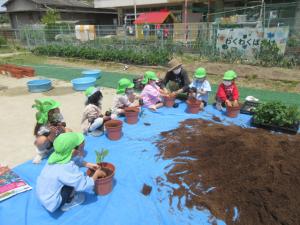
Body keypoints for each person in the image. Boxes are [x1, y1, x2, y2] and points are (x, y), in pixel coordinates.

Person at [36, 132, 106, 212]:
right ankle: (68, 201)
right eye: (82, 148)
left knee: (68, 179)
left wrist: (88, 164)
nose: (83, 150)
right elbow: (83, 185)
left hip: (43, 194)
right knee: (72, 185)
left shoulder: (57, 156)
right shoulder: (67, 168)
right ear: (73, 151)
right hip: (52, 202)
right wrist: (97, 174)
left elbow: (73, 159)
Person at [32, 98, 70, 164]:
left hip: (57, 133)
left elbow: (64, 124)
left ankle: (63, 146)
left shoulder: (57, 115)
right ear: (49, 112)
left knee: (69, 131)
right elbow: (37, 130)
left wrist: (60, 125)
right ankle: (41, 153)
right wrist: (37, 135)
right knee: (41, 140)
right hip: (48, 138)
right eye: (55, 108)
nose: (58, 109)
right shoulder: (42, 120)